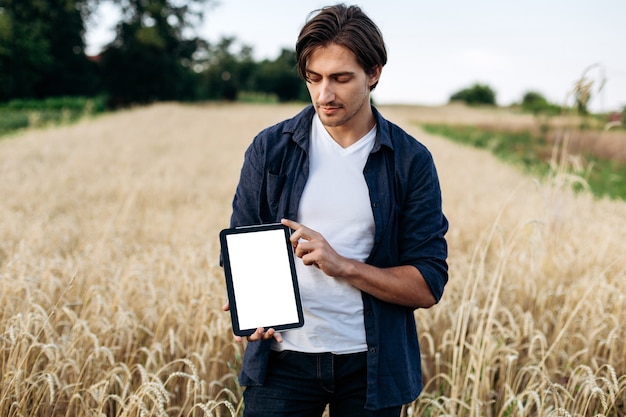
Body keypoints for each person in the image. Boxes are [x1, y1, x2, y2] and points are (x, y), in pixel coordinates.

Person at [223, 4, 448, 416]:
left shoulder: (410, 161)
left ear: (374, 73)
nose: (324, 94)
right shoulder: (270, 148)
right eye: (314, 78)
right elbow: (240, 244)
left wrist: (342, 265)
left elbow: (428, 284)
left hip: (371, 367)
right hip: (281, 361)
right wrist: (247, 301)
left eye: (341, 79)